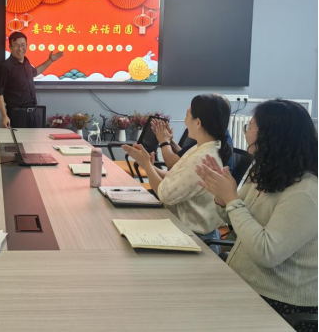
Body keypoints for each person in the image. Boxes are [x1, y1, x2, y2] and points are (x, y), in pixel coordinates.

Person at [197, 100, 318, 332]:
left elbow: (267, 252)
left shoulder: (306, 192)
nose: (246, 133)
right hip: (246, 283)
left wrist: (231, 200)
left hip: (282, 304)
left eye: (250, 126)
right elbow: (236, 219)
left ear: (271, 136)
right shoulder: (267, 173)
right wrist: (222, 198)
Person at [123, 94, 232, 248]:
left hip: (194, 239)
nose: (185, 119)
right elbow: (173, 177)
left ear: (198, 123)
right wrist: (147, 165)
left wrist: (147, 165)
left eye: (187, 114)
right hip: (185, 231)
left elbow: (165, 194)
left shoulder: (202, 157)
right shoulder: (203, 148)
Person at [0, 31, 64, 129]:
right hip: (17, 115)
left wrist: (50, 60)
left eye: (23, 45)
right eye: (16, 45)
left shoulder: (26, 61)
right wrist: (4, 116)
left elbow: (35, 72)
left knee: (36, 139)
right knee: (19, 139)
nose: (20, 48)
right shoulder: (5, 67)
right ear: (10, 47)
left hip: (33, 113)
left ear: (27, 46)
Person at [152, 117, 235, 170]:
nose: (185, 121)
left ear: (198, 122)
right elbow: (185, 157)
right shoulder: (212, 136)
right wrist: (169, 140)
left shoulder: (207, 143)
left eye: (187, 115)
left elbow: (171, 163)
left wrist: (164, 141)